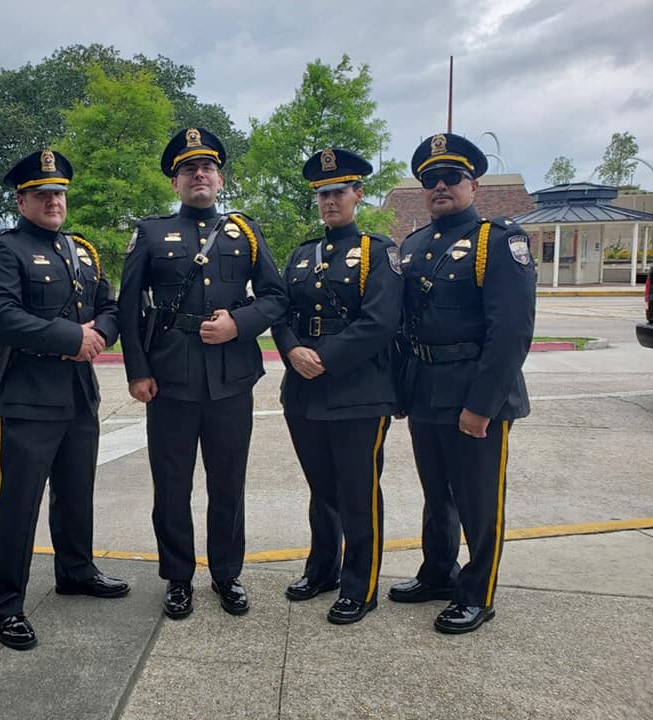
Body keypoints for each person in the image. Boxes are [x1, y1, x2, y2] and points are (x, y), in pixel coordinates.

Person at [118, 128, 287, 619]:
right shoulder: (150, 233)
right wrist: (137, 372)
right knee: (171, 484)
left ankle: (227, 574)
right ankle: (177, 577)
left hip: (230, 379)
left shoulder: (246, 232)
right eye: (188, 169)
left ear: (219, 177)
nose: (199, 175)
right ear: (176, 182)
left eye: (207, 167)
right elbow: (129, 308)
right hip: (169, 380)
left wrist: (240, 323)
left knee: (228, 483)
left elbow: (276, 297)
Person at [0, 149, 128, 651]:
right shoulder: (2, 248)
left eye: (58, 192)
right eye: (42, 194)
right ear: (22, 200)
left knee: (76, 491)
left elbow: (110, 305)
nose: (53, 201)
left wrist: (99, 334)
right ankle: (4, 604)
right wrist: (71, 338)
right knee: (16, 503)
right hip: (26, 396)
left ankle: (76, 572)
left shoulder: (81, 250)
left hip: (79, 394)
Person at [389, 133, 536, 634]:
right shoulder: (412, 246)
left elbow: (511, 332)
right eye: (431, 180)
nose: (440, 187)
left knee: (478, 499)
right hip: (426, 389)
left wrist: (482, 405)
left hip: (475, 394)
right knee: (437, 494)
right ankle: (437, 573)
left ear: (473, 184)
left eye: (451, 177)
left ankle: (477, 593)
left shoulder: (498, 242)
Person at [272, 148, 403, 623]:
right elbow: (279, 312)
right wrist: (291, 350)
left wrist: (321, 358)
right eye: (323, 194)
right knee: (321, 488)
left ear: (358, 195)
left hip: (358, 394)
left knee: (357, 491)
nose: (330, 201)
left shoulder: (378, 251)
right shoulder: (303, 254)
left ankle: (361, 585)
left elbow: (380, 322)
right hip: (304, 392)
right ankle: (322, 568)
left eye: (339, 192)